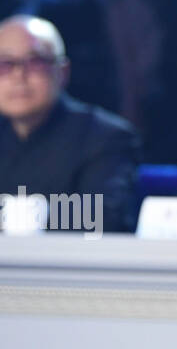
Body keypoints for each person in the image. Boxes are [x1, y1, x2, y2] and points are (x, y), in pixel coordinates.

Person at [0, 15, 139, 233]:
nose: (19, 76)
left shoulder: (106, 137)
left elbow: (103, 218)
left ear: (62, 72)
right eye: (5, 65)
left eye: (35, 62)